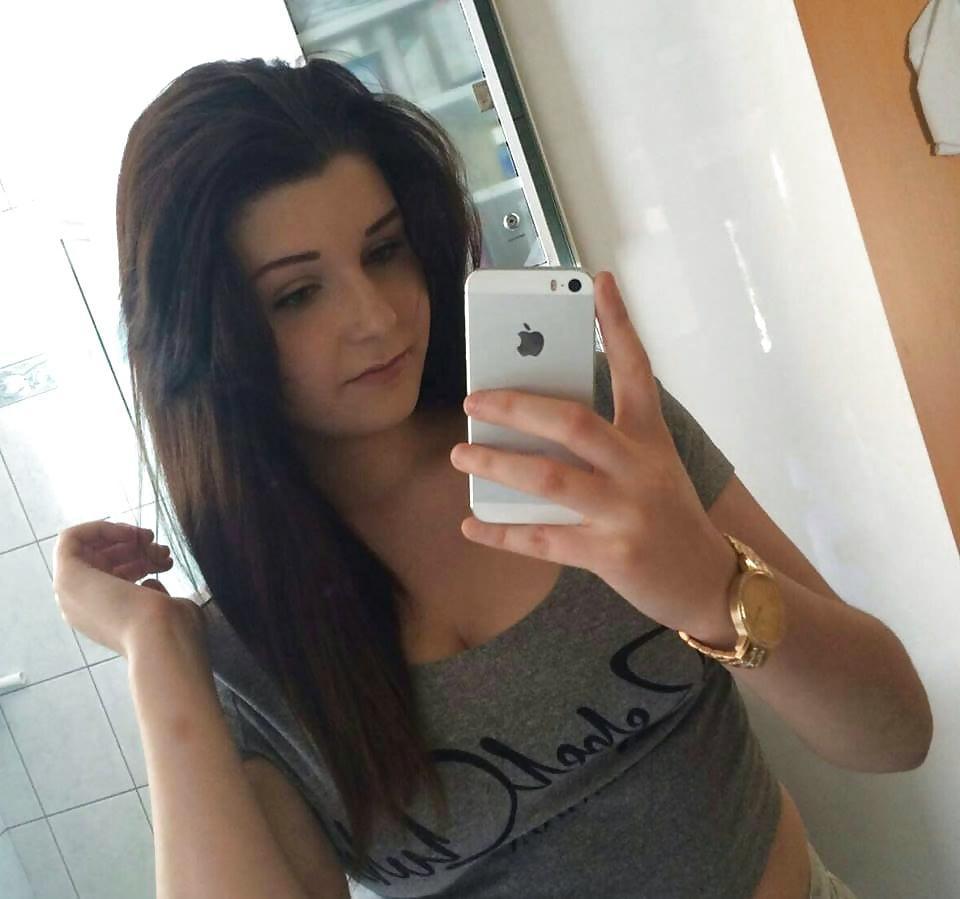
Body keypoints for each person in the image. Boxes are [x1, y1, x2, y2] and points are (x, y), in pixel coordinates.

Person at [51, 57, 930, 898]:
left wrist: (710, 584)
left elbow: (896, 730)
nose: (376, 316)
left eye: (384, 250)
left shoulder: (583, 432)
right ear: (206, 336)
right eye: (297, 294)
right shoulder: (245, 648)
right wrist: (157, 648)